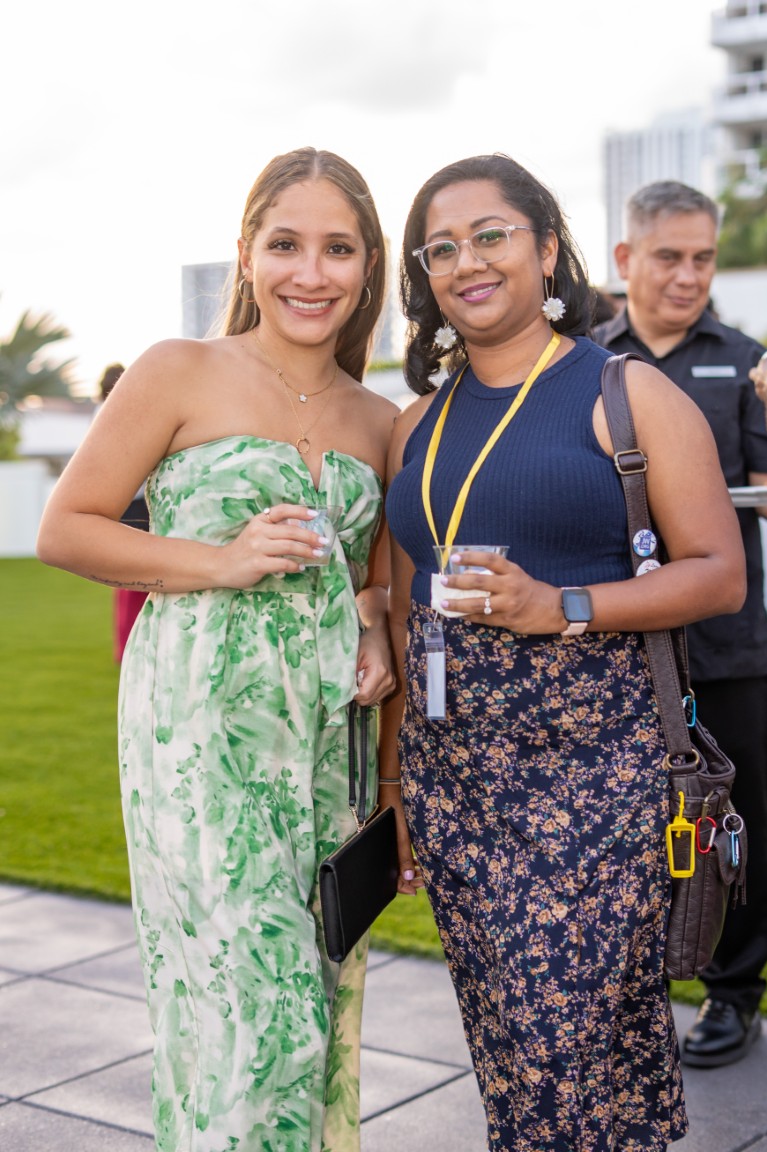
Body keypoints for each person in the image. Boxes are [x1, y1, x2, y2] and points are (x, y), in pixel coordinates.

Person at [378, 153, 746, 1152]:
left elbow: (720, 573)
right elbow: (408, 612)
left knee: (559, 1048)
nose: (467, 261)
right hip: (455, 782)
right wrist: (398, 787)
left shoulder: (628, 393)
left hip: (592, 777)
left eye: (490, 235)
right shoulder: (416, 425)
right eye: (441, 248)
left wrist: (561, 607)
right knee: (514, 1048)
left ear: (546, 249)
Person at [36, 146, 399, 1152]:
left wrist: (374, 623)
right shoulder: (178, 371)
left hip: (326, 743)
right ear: (246, 253)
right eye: (286, 245)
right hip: (200, 733)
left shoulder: (383, 419)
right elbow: (66, 529)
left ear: (368, 266)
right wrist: (221, 561)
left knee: (316, 995)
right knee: (251, 1013)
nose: (310, 274)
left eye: (338, 249)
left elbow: (377, 583)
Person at [594, 180, 767, 1070]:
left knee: (736, 825)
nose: (690, 275)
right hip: (615, 644)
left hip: (729, 647)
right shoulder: (581, 362)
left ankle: (734, 994)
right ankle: (631, 994)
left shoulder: (746, 363)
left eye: (704, 258)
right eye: (670, 256)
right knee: (626, 827)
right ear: (626, 259)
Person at [96, 362, 151, 660]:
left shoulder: (100, 414)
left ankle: (125, 644)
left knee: (125, 582)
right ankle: (131, 644)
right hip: (135, 503)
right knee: (137, 579)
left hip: (123, 504)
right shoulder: (120, 414)